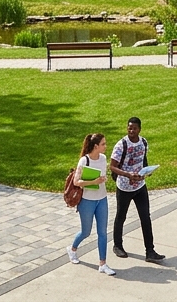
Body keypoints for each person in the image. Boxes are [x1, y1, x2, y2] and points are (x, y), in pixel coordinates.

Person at [110, 116, 164, 262]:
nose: (131, 130)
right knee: (121, 216)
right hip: (124, 187)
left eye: (134, 128)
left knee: (145, 217)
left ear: (139, 129)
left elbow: (143, 160)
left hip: (140, 186)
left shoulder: (143, 142)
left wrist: (146, 172)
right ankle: (117, 245)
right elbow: (112, 166)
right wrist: (128, 174)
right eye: (129, 128)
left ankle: (150, 251)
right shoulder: (121, 145)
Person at [69, 132, 115, 275]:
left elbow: (102, 175)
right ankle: (72, 250)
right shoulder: (84, 161)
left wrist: (103, 179)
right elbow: (77, 182)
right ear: (96, 146)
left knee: (103, 232)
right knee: (86, 231)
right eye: (103, 144)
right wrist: (93, 182)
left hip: (102, 199)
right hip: (87, 201)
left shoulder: (103, 158)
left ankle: (103, 264)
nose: (105, 146)